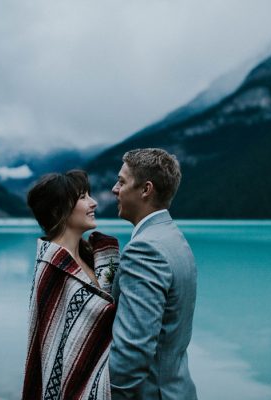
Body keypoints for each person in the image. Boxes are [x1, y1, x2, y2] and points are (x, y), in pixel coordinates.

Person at [22, 170, 120, 400]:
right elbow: (52, 348)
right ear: (59, 210)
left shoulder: (93, 258)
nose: (93, 203)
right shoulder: (52, 268)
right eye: (83, 197)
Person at [109, 148, 198, 400]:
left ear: (145, 190)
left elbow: (131, 354)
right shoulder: (173, 238)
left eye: (122, 181)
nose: (115, 189)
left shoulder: (145, 249)